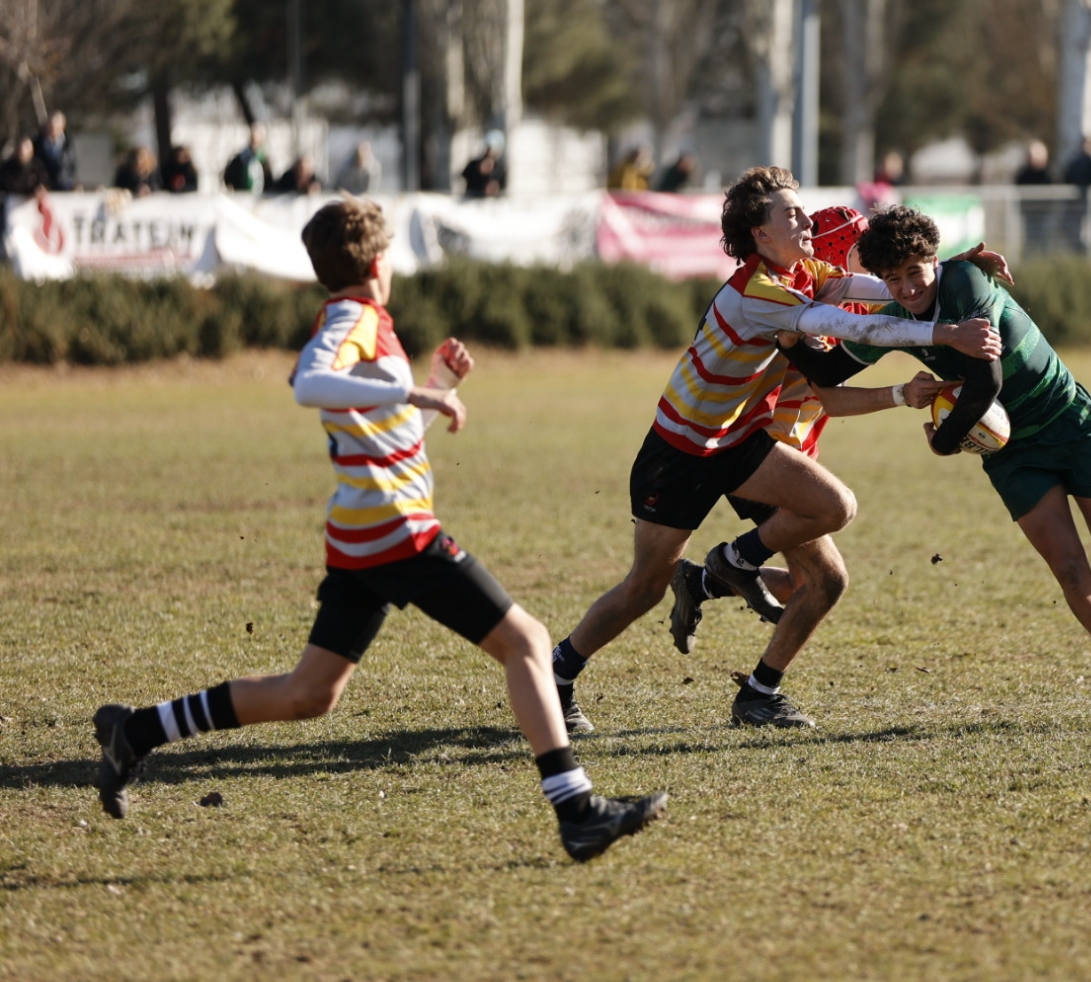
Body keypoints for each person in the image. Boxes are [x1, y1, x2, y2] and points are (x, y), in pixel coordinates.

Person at [90, 197, 666, 862]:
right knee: (529, 643)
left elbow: (383, 440)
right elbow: (310, 382)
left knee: (309, 694)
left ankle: (137, 730)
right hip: (398, 533)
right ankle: (578, 810)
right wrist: (415, 393)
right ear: (381, 261)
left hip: (365, 534)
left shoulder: (363, 323)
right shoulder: (352, 318)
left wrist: (434, 383)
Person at [549, 166, 1003, 733]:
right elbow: (854, 327)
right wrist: (944, 334)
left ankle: (741, 615)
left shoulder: (804, 271)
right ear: (760, 235)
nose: (805, 219)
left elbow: (875, 292)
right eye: (790, 214)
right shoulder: (757, 293)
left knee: (834, 512)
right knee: (642, 588)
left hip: (741, 439)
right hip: (679, 450)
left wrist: (952, 269)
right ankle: (558, 675)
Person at [774, 205, 1091, 731]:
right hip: (1010, 452)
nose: (905, 289)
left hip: (1068, 422)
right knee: (1069, 570)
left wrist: (944, 444)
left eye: (914, 273)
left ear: (934, 260)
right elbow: (828, 372)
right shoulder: (895, 316)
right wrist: (790, 331)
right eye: (892, 279)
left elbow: (986, 382)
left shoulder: (968, 278)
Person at [223, 123, 273, 194]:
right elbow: (228, 178)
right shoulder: (240, 158)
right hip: (241, 197)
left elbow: (269, 182)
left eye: (257, 139)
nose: (254, 142)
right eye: (252, 138)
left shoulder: (265, 161)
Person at [34, 110, 77, 191]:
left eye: (55, 124)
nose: (52, 127)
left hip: (64, 186)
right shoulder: (38, 144)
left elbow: (71, 166)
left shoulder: (69, 145)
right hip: (43, 187)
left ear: (62, 126)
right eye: (50, 124)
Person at [462, 130, 507, 197]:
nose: (490, 152)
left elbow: (502, 186)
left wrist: (495, 187)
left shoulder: (499, 168)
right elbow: (465, 175)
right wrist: (479, 170)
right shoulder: (474, 164)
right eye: (488, 148)